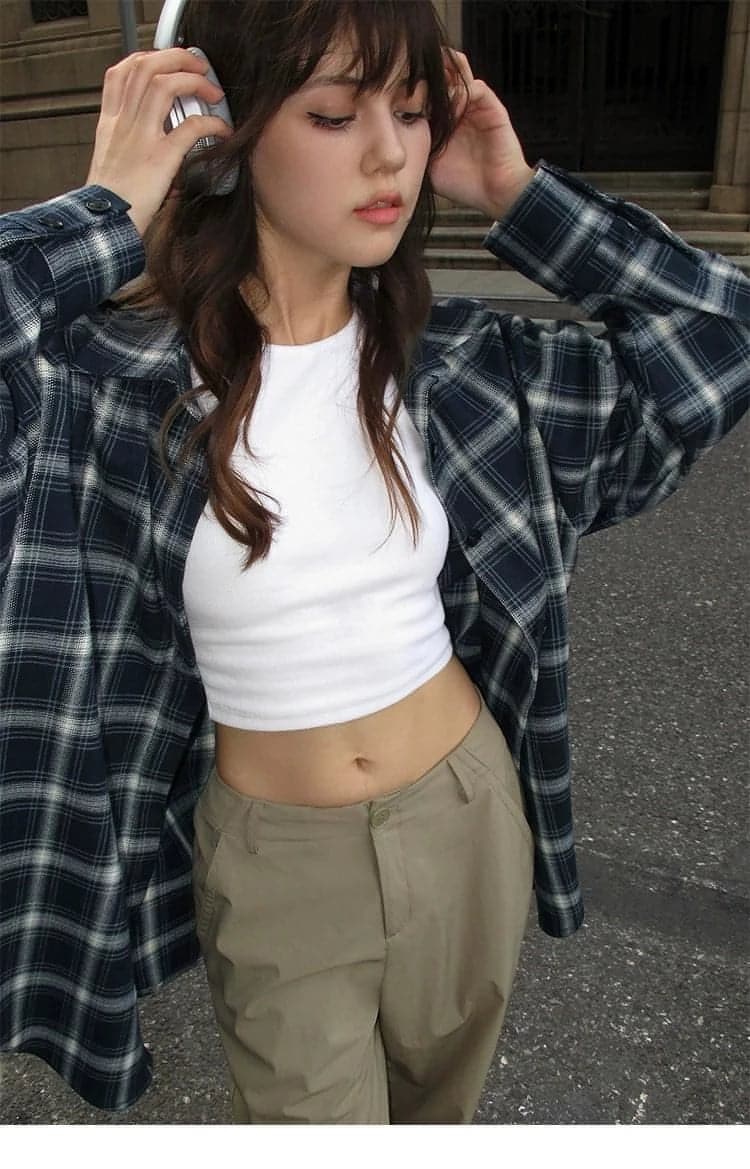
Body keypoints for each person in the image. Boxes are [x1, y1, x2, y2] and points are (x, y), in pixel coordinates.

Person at [0, 0, 747, 1125]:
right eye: (337, 114)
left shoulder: (464, 366)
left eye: (410, 110)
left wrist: (522, 196)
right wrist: (108, 206)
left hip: (467, 809)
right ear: (220, 129)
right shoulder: (103, 388)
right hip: (279, 857)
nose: (391, 154)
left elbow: (720, 340)